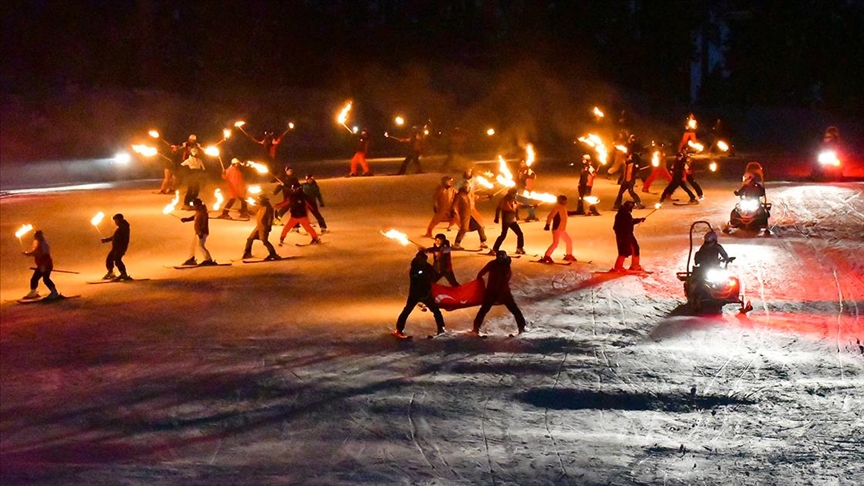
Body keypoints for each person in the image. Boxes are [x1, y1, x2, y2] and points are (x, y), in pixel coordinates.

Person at [472, 250, 527, 336]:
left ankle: (476, 328)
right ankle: (522, 327)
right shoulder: (504, 264)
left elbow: (480, 274)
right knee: (514, 310)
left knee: (483, 310)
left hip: (496, 292)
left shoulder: (496, 264)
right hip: (500, 292)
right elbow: (481, 274)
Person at [394, 251, 446, 338]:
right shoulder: (415, 267)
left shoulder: (426, 266)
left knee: (436, 311)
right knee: (407, 310)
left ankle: (441, 328)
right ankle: (399, 329)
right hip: (416, 293)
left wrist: (436, 260)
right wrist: (423, 273)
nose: (421, 260)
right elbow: (417, 275)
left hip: (426, 293)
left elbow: (435, 275)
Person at [22, 230, 59, 300]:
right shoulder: (38, 244)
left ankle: (54, 292)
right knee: (34, 279)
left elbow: (45, 255)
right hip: (41, 265)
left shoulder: (44, 244)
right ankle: (33, 292)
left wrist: (44, 266)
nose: (35, 238)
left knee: (46, 279)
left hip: (46, 265)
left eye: (37, 236)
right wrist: (28, 254)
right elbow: (36, 252)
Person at [242, 194, 281, 260]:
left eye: (259, 200)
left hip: (264, 227)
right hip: (258, 226)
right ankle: (247, 253)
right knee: (250, 239)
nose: (258, 201)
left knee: (264, 241)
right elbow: (254, 212)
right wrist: (246, 210)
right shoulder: (261, 206)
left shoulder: (268, 208)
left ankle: (273, 254)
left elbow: (270, 218)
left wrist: (268, 226)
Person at [450, 184, 489, 251]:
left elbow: (478, 198)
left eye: (468, 187)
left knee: (480, 226)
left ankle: (483, 241)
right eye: (466, 187)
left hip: (473, 213)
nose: (467, 189)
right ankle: (457, 244)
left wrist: (487, 197)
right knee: (464, 229)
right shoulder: (459, 195)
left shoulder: (470, 194)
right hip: (464, 214)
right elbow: (454, 204)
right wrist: (453, 210)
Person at [611, 201, 645, 272]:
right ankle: (633, 266)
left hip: (625, 235)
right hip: (625, 236)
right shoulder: (624, 214)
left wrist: (639, 220)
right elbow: (626, 224)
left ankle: (620, 266)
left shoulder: (623, 213)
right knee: (628, 250)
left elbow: (630, 221)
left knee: (626, 250)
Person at [180, 198, 216, 266]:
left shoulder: (203, 212)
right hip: (198, 232)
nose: (193, 207)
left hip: (202, 232)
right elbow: (194, 217)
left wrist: (200, 232)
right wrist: (186, 219)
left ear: (198, 205)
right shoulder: (198, 211)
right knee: (193, 246)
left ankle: (208, 259)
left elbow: (204, 223)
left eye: (194, 205)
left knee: (200, 246)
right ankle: (191, 258)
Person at [541, 195, 576, 263]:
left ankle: (568, 255)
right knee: (555, 243)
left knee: (569, 241)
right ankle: (547, 256)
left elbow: (565, 214)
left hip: (562, 229)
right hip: (557, 228)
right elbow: (550, 216)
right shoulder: (557, 208)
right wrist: (547, 224)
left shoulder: (562, 208)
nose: (566, 202)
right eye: (564, 201)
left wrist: (576, 212)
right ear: (561, 201)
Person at [612, 137, 644, 210]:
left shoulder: (634, 162)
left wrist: (636, 168)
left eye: (628, 154)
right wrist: (623, 180)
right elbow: (625, 170)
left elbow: (635, 169)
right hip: (625, 180)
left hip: (630, 180)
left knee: (631, 192)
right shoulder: (627, 161)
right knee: (620, 193)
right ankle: (616, 205)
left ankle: (639, 204)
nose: (627, 155)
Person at [491, 188, 525, 255]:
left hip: (512, 220)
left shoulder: (514, 200)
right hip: (506, 220)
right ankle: (495, 249)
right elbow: (498, 208)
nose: (515, 195)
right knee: (503, 235)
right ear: (510, 193)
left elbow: (520, 206)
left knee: (520, 233)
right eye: (514, 194)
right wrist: (496, 218)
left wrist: (531, 206)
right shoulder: (504, 200)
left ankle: (519, 248)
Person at [101, 213, 131, 280]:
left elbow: (123, 238)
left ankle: (123, 274)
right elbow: (114, 237)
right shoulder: (120, 227)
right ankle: (111, 272)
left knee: (117, 260)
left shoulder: (124, 227)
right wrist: (106, 240)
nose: (115, 222)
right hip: (116, 247)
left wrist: (121, 246)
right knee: (109, 259)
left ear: (120, 219)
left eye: (116, 221)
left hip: (120, 247)